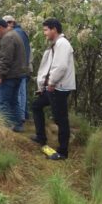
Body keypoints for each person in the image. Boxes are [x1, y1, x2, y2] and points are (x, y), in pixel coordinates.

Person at [31, 18, 76, 160]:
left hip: (58, 88)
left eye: (45, 30)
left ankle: (63, 152)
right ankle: (40, 137)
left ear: (54, 29)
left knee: (61, 120)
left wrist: (51, 83)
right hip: (54, 86)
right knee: (36, 106)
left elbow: (60, 67)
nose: (44, 33)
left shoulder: (62, 44)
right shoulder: (56, 44)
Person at [0, 18, 28, 131]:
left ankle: (6, 128)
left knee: (2, 102)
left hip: (9, 76)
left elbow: (6, 59)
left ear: (1, 28)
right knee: (13, 101)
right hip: (17, 75)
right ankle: (18, 126)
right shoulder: (15, 35)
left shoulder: (8, 38)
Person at [4, 15, 33, 124]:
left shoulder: (16, 33)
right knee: (21, 93)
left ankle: (19, 119)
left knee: (18, 94)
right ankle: (22, 115)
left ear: (11, 23)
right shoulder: (22, 32)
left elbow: (16, 53)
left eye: (5, 24)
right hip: (24, 68)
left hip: (19, 69)